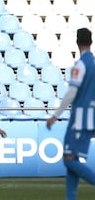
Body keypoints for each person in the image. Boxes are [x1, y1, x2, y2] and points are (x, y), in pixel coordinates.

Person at [46, 28, 95, 200]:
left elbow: (72, 92)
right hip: (90, 118)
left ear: (77, 42)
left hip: (80, 119)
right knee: (71, 160)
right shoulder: (94, 63)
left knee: (69, 160)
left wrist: (55, 115)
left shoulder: (80, 64)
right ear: (91, 41)